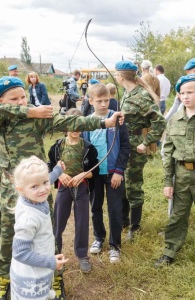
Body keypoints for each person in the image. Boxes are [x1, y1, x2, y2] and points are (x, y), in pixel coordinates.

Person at [0, 76, 124, 300]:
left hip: (39, 186)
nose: (21, 102)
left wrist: (104, 123)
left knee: (49, 234)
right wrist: (30, 111)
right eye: (15, 98)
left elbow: (70, 122)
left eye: (23, 97)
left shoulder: (38, 117)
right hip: (12, 189)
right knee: (8, 235)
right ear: (0, 100)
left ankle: (57, 278)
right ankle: (4, 280)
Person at [115, 61, 165, 240]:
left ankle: (134, 228)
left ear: (121, 76)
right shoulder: (128, 93)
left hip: (135, 147)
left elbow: (159, 122)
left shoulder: (141, 95)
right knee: (122, 182)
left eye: (116, 74)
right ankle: (124, 221)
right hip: (123, 144)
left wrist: (146, 142)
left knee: (133, 185)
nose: (115, 77)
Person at [82, 83, 130, 263]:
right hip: (94, 174)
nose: (103, 104)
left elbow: (125, 147)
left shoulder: (117, 119)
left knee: (115, 209)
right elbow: (83, 148)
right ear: (91, 101)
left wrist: (119, 171)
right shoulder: (86, 122)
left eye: (107, 100)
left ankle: (115, 245)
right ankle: (99, 237)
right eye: (99, 101)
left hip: (113, 174)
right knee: (95, 207)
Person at [48, 108, 99, 273]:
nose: (75, 130)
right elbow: (50, 166)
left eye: (79, 126)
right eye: (71, 125)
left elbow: (95, 171)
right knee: (58, 222)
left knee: (82, 222)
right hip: (64, 188)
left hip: (81, 189)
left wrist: (83, 175)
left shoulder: (89, 148)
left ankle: (82, 256)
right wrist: (59, 175)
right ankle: (56, 255)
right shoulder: (57, 147)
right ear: (65, 127)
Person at [10, 156, 68, 300]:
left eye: (45, 183)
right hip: (31, 279)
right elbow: (20, 253)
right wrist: (51, 262)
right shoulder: (28, 218)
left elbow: (42, 180)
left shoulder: (31, 197)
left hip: (39, 268)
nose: (43, 189)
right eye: (34, 186)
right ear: (21, 189)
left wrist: (57, 171)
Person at [155, 74, 195, 267]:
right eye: (182, 93)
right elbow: (168, 153)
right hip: (182, 175)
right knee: (178, 215)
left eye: (190, 92)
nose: (185, 96)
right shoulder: (174, 120)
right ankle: (170, 251)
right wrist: (167, 182)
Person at [165, 58, 195, 122]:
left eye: (190, 92)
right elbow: (174, 112)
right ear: (187, 72)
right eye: (194, 71)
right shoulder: (183, 88)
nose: (185, 95)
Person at [141, 60, 161, 156]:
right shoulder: (156, 78)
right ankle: (153, 151)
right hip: (153, 105)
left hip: (144, 106)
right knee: (152, 128)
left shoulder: (143, 78)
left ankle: (147, 151)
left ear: (143, 68)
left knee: (144, 129)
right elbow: (158, 94)